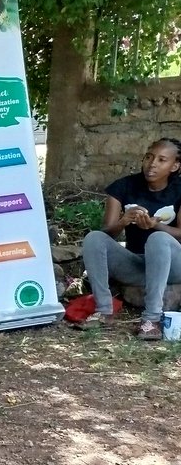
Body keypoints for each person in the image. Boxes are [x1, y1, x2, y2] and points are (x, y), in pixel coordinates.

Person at [80, 138, 181, 340]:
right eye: (149, 157)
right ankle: (104, 311)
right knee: (93, 238)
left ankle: (152, 319)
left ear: (175, 166)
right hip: (138, 265)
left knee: (158, 238)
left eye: (162, 160)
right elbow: (107, 233)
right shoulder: (123, 187)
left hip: (174, 265)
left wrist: (156, 225)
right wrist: (123, 221)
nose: (152, 164)